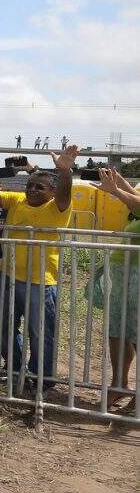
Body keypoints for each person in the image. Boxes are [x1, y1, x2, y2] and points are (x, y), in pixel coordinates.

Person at [0, 145, 78, 396]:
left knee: (41, 332)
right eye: (29, 184)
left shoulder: (58, 207)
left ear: (52, 192)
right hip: (7, 276)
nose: (31, 189)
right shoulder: (17, 199)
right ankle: (17, 369)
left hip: (40, 282)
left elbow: (65, 191)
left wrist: (65, 171)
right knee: (5, 328)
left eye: (39, 187)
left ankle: (42, 378)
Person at [95, 168, 140, 415]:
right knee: (118, 330)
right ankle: (119, 383)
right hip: (124, 271)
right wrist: (118, 179)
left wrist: (115, 190)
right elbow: (136, 199)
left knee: (137, 332)